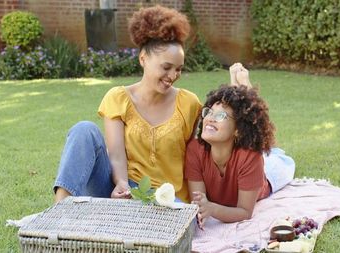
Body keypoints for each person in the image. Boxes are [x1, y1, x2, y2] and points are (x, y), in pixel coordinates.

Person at [53, 5, 201, 203]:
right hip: (121, 191)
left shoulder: (188, 103)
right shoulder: (119, 98)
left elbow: (198, 158)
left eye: (179, 69)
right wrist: (122, 183)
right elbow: (115, 154)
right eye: (166, 67)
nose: (173, 76)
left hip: (166, 199)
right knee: (84, 130)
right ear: (143, 59)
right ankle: (60, 211)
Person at [185, 78, 295, 228]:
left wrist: (212, 209)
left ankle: (273, 152)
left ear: (238, 129)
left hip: (269, 175)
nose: (210, 118)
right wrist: (205, 207)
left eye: (220, 116)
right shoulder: (195, 149)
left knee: (284, 161)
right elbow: (199, 204)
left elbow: (244, 212)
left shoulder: (251, 157)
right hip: (244, 158)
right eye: (209, 112)